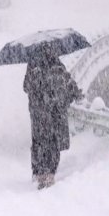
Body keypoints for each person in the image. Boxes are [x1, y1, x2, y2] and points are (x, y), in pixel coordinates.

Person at [22, 45, 83, 189]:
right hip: (54, 113)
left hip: (37, 114)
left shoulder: (33, 65)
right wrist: (76, 94)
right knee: (52, 143)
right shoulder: (56, 64)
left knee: (38, 142)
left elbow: (25, 87)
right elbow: (68, 83)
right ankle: (49, 173)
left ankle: (38, 173)